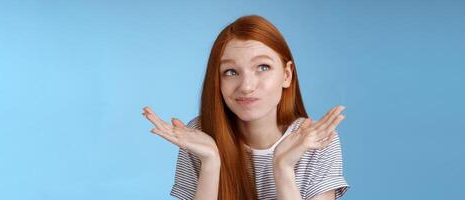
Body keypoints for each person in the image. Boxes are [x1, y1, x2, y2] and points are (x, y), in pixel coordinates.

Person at [142, 15, 349, 200]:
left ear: (286, 75)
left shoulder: (315, 140)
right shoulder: (199, 135)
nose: (247, 87)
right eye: (231, 71)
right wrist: (211, 162)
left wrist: (283, 169)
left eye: (263, 67)